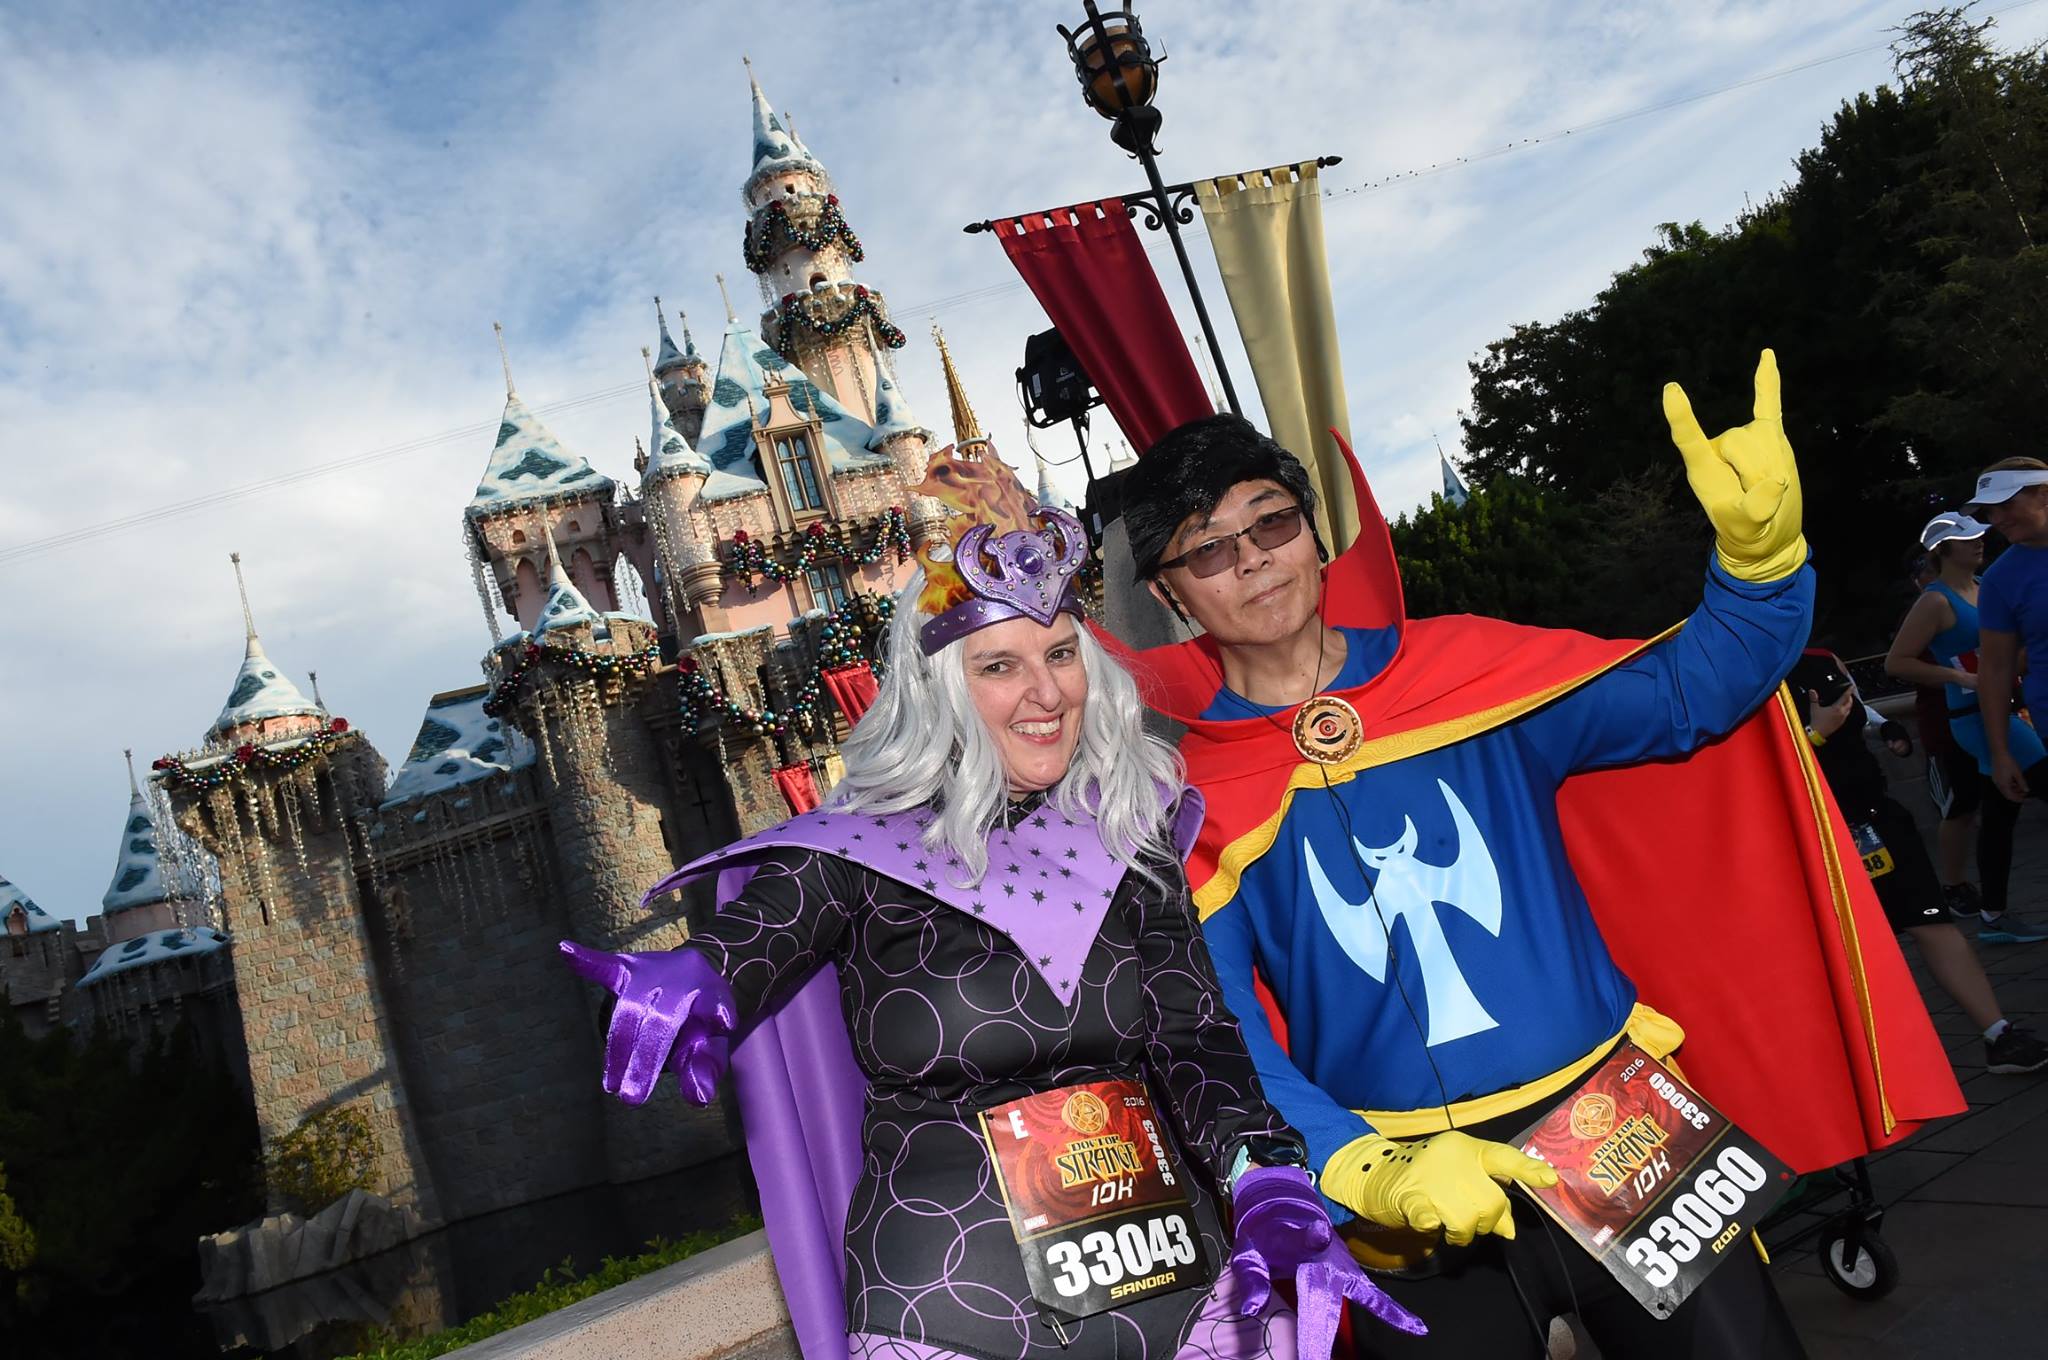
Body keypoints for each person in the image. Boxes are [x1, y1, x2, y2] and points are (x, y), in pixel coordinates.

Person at [1103, 352, 1961, 1359]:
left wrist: (1760, 559)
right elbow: (1223, 1031)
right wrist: (1357, 1169)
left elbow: (1694, 690)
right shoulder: (1183, 797)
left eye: (1271, 521)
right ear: (1169, 592)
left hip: (1617, 1122)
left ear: (1313, 530)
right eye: (1207, 549)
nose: (1251, 560)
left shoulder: (1466, 672)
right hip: (1402, 1196)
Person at [559, 452, 1423, 1360]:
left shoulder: (1129, 836)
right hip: (951, 1312)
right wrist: (696, 976)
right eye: (999, 666)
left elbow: (1195, 1040)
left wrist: (1263, 1176)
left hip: (1187, 1303)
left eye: (1060, 654)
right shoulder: (858, 851)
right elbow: (763, 933)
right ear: (942, 690)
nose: (1046, 693)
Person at [1793, 646, 2048, 1073]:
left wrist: (1886, 726)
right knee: (1846, 949)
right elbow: (1753, 767)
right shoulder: (1742, 681)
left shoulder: (1820, 658)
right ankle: (1871, 1068)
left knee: (1931, 921)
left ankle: (1998, 1036)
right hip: (1817, 831)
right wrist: (1814, 735)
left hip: (1875, 817)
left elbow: (1853, 708)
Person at [1885, 511, 2048, 942]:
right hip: (1971, 718)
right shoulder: (1935, 601)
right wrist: (1959, 677)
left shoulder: (1983, 588)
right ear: (1942, 550)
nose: (1979, 543)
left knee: (2000, 815)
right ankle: (1990, 914)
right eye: (1967, 539)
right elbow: (1896, 662)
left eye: (1980, 536)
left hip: (2003, 709)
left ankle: (1993, 916)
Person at [1968, 458, 2048, 808]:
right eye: (1989, 511)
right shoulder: (2000, 580)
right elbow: (1996, 670)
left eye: (2006, 504)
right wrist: (2000, 754)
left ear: (2044, 494)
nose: (1996, 519)